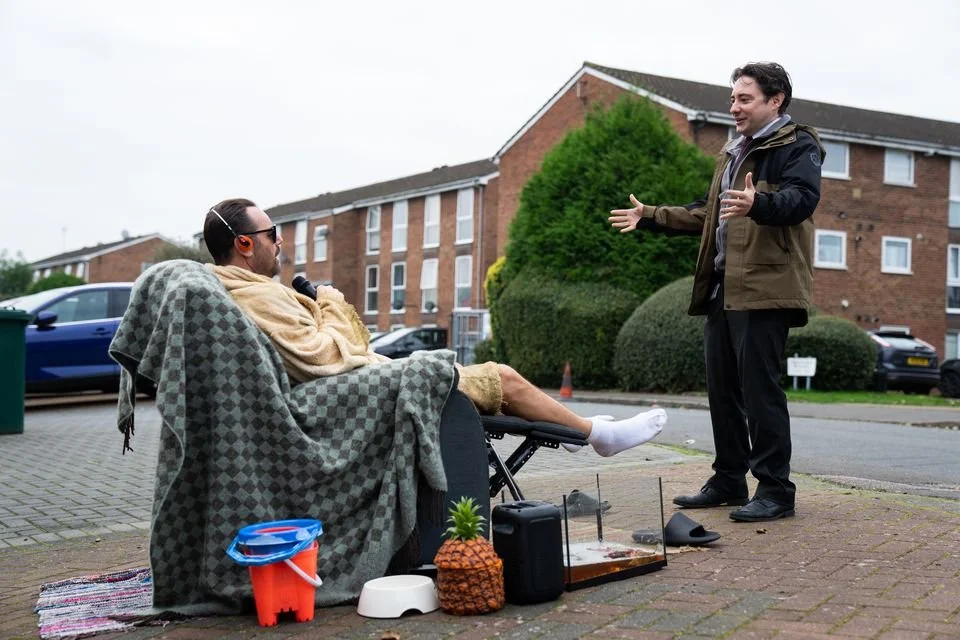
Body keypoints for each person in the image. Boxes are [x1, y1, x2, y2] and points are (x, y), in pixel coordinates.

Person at [202, 197, 667, 458]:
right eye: (272, 235)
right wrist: (331, 303)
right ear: (244, 244)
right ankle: (596, 436)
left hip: (362, 386)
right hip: (362, 394)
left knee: (491, 381)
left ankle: (575, 428)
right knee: (500, 378)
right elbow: (323, 358)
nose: (280, 242)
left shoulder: (245, 292)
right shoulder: (257, 296)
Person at [609, 62, 824, 522]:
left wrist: (758, 203)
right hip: (725, 288)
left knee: (760, 392)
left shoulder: (798, 144)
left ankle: (776, 491)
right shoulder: (733, 153)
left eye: (745, 99)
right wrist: (652, 215)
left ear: (775, 101)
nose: (734, 107)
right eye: (733, 99)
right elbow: (709, 212)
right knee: (723, 391)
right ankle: (729, 480)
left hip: (766, 288)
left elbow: (802, 200)